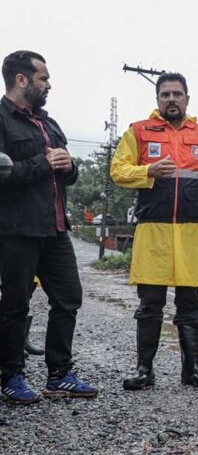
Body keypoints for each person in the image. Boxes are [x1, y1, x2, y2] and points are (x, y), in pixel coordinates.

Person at [111, 72, 198, 391]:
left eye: (177, 94)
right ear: (157, 100)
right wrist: (147, 171)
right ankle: (144, 370)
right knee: (150, 303)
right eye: (165, 94)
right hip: (153, 232)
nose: (171, 99)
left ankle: (191, 370)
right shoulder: (138, 132)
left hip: (192, 234)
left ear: (187, 99)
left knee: (191, 305)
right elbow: (118, 170)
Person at [0, 50, 98, 404]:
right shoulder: (1, 120)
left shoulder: (49, 123)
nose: (49, 84)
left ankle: (59, 374)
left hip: (56, 229)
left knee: (69, 298)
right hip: (16, 230)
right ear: (21, 79)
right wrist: (43, 163)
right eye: (43, 78)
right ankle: (11, 375)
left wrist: (68, 165)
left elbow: (67, 175)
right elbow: (4, 173)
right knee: (14, 305)